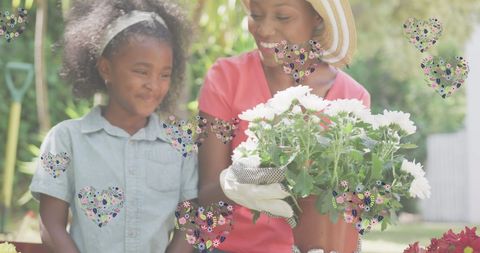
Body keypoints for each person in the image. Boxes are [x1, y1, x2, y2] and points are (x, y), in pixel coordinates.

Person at [197, 0, 369, 252]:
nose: (264, 29)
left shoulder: (352, 98)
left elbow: (350, 203)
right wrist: (237, 183)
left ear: (318, 19)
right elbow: (206, 194)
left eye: (283, 17)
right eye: (256, 15)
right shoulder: (226, 79)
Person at [29, 1, 197, 252]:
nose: (154, 84)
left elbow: (190, 226)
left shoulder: (182, 144)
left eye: (164, 74)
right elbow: (50, 227)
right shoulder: (65, 140)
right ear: (106, 68)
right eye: (142, 71)